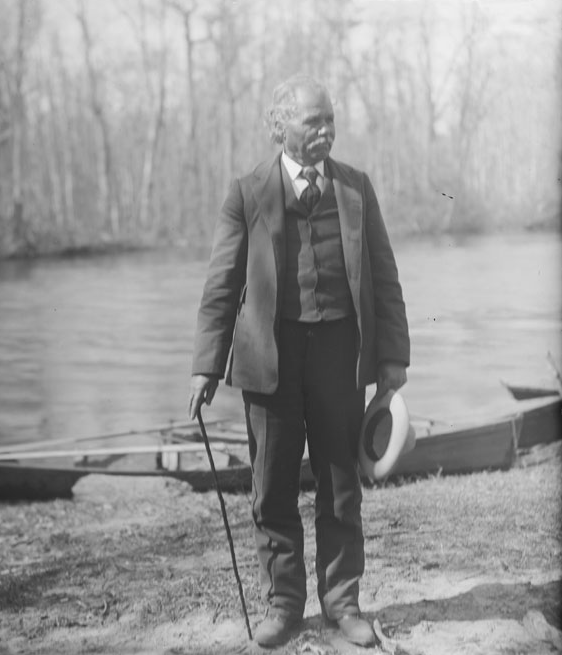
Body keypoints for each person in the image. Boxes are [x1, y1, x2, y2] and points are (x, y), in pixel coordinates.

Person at [188, 74, 410, 648]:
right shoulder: (248, 192)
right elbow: (221, 285)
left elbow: (385, 278)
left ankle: (343, 603)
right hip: (271, 361)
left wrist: (393, 360)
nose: (325, 131)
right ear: (279, 125)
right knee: (272, 488)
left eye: (330, 120)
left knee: (341, 487)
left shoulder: (356, 188)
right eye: (314, 122)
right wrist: (205, 366)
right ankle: (284, 605)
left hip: (340, 357)